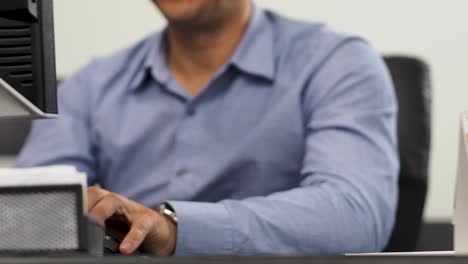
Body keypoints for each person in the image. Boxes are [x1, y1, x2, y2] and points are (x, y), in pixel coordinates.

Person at [16, 0, 399, 256]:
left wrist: (174, 228)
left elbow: (355, 214)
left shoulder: (338, 63)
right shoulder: (91, 84)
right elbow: (22, 216)